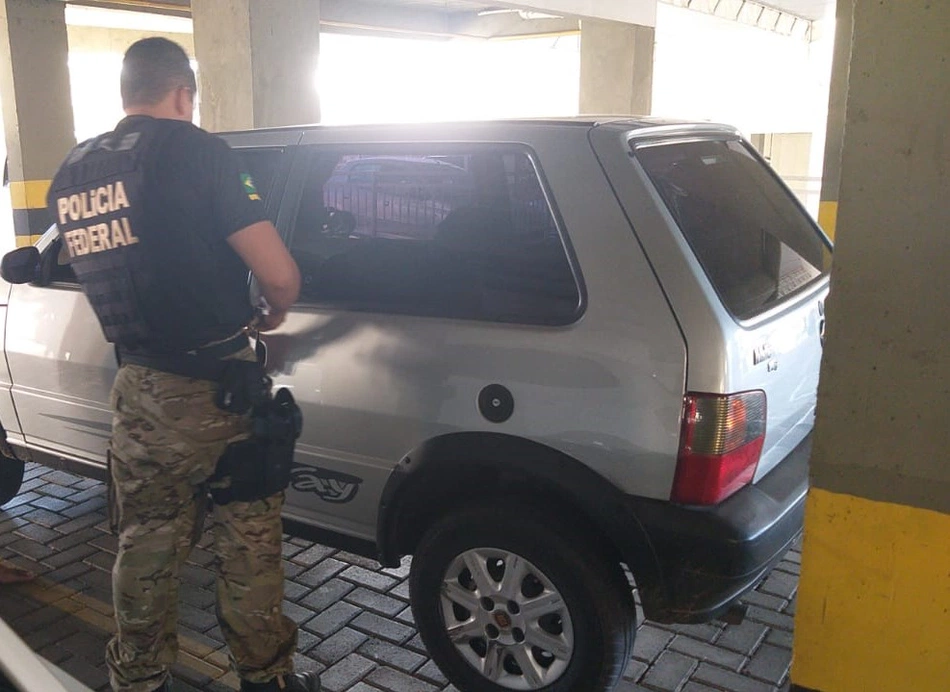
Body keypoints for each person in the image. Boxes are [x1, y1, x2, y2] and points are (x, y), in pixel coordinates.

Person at [46, 38, 319, 692]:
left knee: (146, 543)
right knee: (246, 539)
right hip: (219, 388)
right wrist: (276, 311)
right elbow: (279, 276)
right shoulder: (201, 153)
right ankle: (267, 679)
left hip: (137, 389)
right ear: (183, 93)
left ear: (126, 93)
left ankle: (137, 679)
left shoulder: (74, 172)